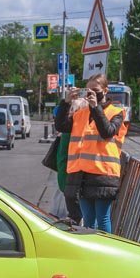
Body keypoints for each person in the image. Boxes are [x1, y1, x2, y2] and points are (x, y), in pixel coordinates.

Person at [55, 73, 128, 231]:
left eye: (95, 90)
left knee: (102, 218)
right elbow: (61, 126)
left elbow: (107, 131)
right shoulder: (81, 114)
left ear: (105, 91)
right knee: (88, 221)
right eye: (87, 90)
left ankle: (106, 251)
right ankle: (92, 253)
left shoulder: (117, 112)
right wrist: (66, 103)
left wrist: (95, 107)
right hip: (81, 174)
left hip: (104, 175)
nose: (90, 94)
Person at [52, 94, 83, 224]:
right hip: (71, 181)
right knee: (77, 217)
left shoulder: (67, 132)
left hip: (66, 180)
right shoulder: (72, 131)